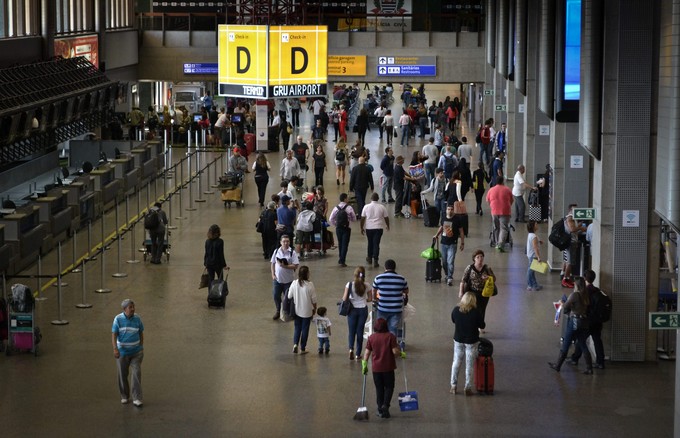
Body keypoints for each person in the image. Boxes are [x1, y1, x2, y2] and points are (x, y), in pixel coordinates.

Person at [549, 277, 594, 375]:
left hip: (574, 321)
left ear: (577, 285)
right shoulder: (586, 295)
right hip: (584, 323)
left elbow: (565, 306)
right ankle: (589, 368)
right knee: (582, 343)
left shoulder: (575, 295)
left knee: (566, 342)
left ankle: (558, 365)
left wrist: (561, 302)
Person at [362, 318, 405, 419]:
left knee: (379, 388)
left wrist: (364, 364)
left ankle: (380, 408)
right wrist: (401, 353)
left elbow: (367, 353)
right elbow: (395, 351)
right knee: (389, 387)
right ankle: (386, 405)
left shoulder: (371, 338)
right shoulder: (390, 336)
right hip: (388, 367)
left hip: (376, 369)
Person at [569, 269, 606, 369]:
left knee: (581, 339)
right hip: (598, 320)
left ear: (585, 278)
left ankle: (574, 359)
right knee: (597, 340)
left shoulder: (585, 292)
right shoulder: (597, 290)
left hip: (588, 320)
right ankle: (600, 362)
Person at [450, 292, 485, 396]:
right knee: (469, 365)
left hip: (458, 339)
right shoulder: (476, 312)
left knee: (456, 362)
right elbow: (482, 325)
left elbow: (453, 320)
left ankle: (453, 386)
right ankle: (467, 388)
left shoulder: (456, 310)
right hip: (471, 341)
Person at [112, 299, 144, 407]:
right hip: (123, 353)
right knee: (122, 374)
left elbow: (141, 332)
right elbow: (114, 334)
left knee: (136, 373)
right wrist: (115, 349)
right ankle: (124, 395)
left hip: (136, 352)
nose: (133, 309)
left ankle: (137, 398)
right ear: (124, 309)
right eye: (130, 307)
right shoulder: (118, 319)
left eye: (133, 307)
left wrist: (141, 346)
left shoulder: (138, 318)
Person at [459, 250, 496, 328]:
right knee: (471, 309)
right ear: (474, 259)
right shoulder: (469, 268)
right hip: (472, 292)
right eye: (478, 257)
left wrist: (488, 277)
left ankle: (480, 325)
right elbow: (463, 280)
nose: (480, 258)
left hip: (484, 293)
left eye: (481, 257)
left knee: (482, 310)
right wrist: (461, 292)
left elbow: (494, 278)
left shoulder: (487, 268)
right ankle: (471, 324)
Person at [372, 259, 409, 336]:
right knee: (393, 329)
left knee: (381, 329)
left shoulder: (378, 278)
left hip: (382, 308)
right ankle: (392, 346)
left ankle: (381, 345)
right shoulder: (401, 279)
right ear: (394, 268)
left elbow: (374, 291)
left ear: (385, 267)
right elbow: (406, 291)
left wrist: (376, 299)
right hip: (396, 309)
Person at [343, 266, 372, 360]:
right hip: (363, 310)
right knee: (360, 331)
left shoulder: (349, 285)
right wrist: (363, 299)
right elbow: (371, 299)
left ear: (354, 275)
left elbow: (344, 299)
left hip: (352, 310)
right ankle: (358, 354)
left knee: (351, 331)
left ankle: (351, 349)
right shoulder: (367, 285)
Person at [287, 266, 317, 354]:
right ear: (307, 274)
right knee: (305, 330)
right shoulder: (310, 285)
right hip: (307, 312)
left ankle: (295, 344)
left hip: (296, 311)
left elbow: (289, 296)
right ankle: (303, 348)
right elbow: (314, 300)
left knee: (297, 328)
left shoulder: (294, 283)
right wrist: (314, 308)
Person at [434, 205, 465, 286]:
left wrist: (462, 243)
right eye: (448, 209)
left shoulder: (457, 219)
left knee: (450, 261)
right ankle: (447, 274)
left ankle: (450, 277)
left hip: (453, 243)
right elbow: (441, 227)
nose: (450, 211)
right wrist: (436, 235)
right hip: (443, 243)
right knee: (444, 261)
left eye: (451, 209)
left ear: (454, 210)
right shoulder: (443, 218)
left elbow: (461, 231)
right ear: (446, 210)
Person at [270, 235, 300, 320]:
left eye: (287, 241)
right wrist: (273, 274)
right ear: (280, 242)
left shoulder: (292, 252)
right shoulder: (276, 251)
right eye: (284, 241)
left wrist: (285, 266)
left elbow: (295, 265)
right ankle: (278, 310)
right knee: (276, 296)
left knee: (288, 297)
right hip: (277, 280)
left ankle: (287, 312)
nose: (286, 243)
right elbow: (272, 263)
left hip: (288, 281)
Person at [486, 172, 513, 252]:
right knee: (504, 228)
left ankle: (497, 242)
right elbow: (511, 200)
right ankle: (500, 244)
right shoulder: (507, 189)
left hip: (494, 211)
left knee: (496, 227)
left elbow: (488, 200)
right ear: (503, 181)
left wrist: (492, 207)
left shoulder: (491, 190)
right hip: (505, 211)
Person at [361, 193, 390, 268]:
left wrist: (361, 227)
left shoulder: (366, 207)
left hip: (369, 228)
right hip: (378, 228)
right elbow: (386, 218)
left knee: (370, 242)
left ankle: (369, 258)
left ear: (371, 198)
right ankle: (376, 260)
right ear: (378, 199)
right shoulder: (382, 207)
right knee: (376, 244)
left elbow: (362, 218)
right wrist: (387, 225)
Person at [328, 193, 357, 267]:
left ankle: (340, 258)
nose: (348, 199)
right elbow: (354, 218)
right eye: (347, 198)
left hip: (338, 228)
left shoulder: (336, 208)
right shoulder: (349, 208)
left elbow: (331, 219)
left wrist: (336, 224)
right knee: (345, 244)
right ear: (344, 199)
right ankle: (342, 260)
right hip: (346, 228)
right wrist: (349, 219)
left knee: (340, 243)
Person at [526, 221, 544, 291]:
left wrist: (539, 241)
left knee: (532, 271)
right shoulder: (533, 236)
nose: (537, 225)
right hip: (533, 256)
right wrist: (538, 257)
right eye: (536, 224)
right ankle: (530, 285)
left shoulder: (531, 234)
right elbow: (535, 247)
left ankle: (534, 284)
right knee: (530, 271)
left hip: (530, 255)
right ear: (533, 226)